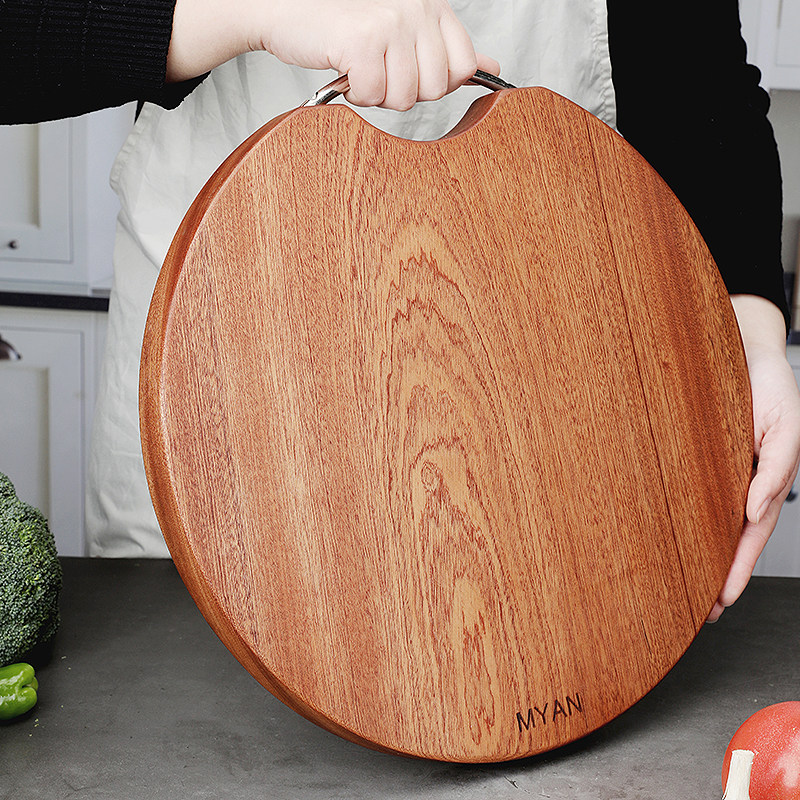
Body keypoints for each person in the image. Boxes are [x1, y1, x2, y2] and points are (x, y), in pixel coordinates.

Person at [2, 0, 798, 622]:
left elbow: (703, 89)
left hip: (547, 384)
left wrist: (753, 334)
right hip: (226, 382)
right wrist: (258, 10)